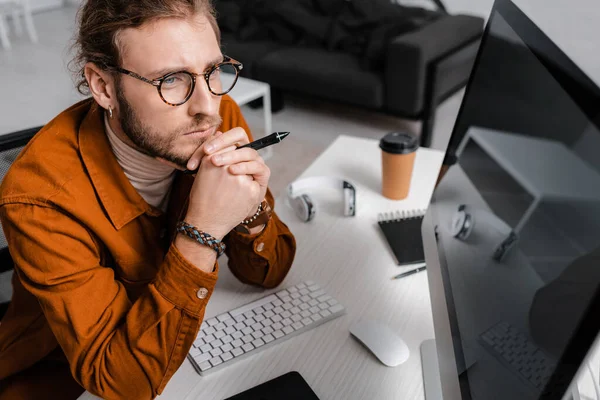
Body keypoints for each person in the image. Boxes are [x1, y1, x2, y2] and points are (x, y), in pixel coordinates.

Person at [0, 0, 296, 398]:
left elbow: (269, 274)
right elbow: (122, 384)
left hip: (184, 342)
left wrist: (252, 208)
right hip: (62, 381)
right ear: (103, 87)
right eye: (171, 80)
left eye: (212, 71)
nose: (207, 106)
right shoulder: (38, 198)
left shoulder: (215, 117)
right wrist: (202, 232)